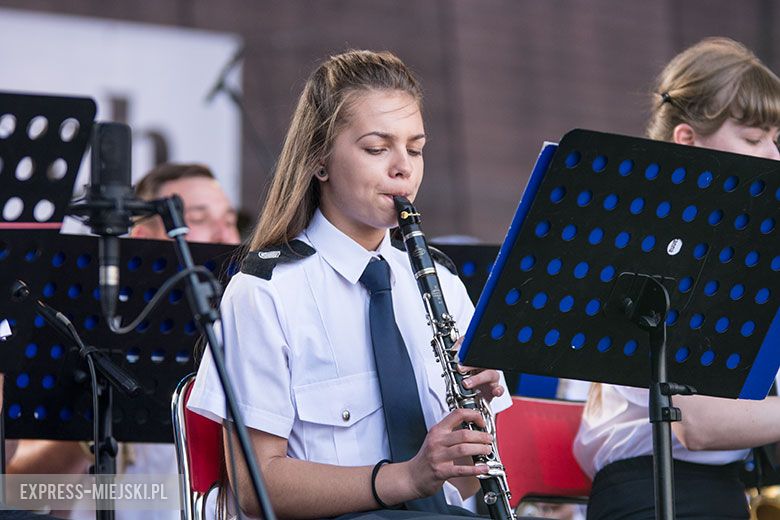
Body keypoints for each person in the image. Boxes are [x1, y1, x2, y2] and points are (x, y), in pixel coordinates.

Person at [187, 49, 513, 519]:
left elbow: (463, 484)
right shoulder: (265, 291)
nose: (403, 167)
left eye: (415, 149)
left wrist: (476, 416)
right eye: (377, 148)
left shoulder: (441, 282)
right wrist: (408, 476)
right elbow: (254, 487)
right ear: (319, 159)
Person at [573, 37, 780, 520]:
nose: (774, 157)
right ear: (687, 141)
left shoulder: (747, 252)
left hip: (729, 484)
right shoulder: (647, 246)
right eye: (753, 140)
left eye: (778, 140)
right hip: (652, 490)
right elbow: (698, 424)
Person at [8, 163, 241, 520]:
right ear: (144, 238)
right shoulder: (83, 333)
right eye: (198, 218)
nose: (226, 237)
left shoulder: (243, 338)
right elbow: (20, 488)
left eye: (230, 220)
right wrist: (88, 434)